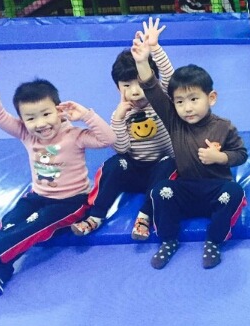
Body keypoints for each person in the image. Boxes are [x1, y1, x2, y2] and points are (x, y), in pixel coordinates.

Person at [0, 57, 115, 297]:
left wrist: (85, 115)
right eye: (31, 118)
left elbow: (108, 139)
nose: (40, 124)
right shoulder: (27, 135)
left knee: (33, 226)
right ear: (22, 120)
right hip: (37, 196)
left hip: (71, 202)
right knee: (9, 223)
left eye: (46, 114)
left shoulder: (74, 135)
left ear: (59, 110)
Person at [131, 31, 248, 269]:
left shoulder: (224, 126)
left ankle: (214, 241)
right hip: (186, 189)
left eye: (194, 99)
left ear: (211, 98)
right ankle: (169, 240)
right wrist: (142, 61)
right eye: (180, 102)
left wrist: (220, 157)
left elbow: (241, 154)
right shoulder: (174, 121)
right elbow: (152, 89)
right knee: (161, 190)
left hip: (216, 189)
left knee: (235, 192)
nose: (187, 108)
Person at [71, 17, 176, 241]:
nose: (135, 91)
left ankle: (145, 216)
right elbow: (122, 148)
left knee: (171, 163)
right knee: (114, 164)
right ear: (118, 87)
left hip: (161, 168)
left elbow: (169, 77)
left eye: (140, 83)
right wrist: (118, 119)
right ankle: (96, 216)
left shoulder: (161, 99)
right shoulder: (120, 113)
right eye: (127, 86)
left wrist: (155, 48)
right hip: (135, 169)